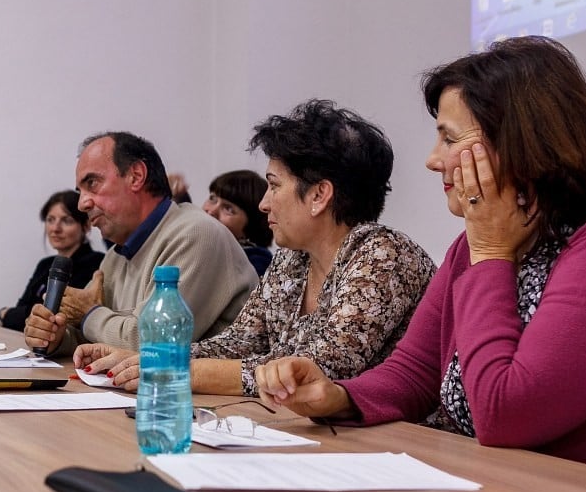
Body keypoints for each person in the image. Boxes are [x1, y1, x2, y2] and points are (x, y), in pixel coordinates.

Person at [255, 36, 586, 470]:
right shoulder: (477, 242)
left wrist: (491, 253)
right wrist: (340, 396)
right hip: (488, 481)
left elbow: (506, 414)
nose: (432, 159)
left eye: (450, 139)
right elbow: (413, 371)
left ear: (521, 142)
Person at [74, 100, 436, 397]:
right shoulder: (293, 260)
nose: (264, 204)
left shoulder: (383, 256)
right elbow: (239, 343)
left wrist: (170, 369)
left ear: (318, 195)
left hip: (405, 449)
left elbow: (316, 371)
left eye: (274, 186)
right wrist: (145, 357)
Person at [24, 131, 258, 356]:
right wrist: (55, 335)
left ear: (136, 176)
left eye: (92, 183)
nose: (82, 204)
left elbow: (150, 345)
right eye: (81, 190)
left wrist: (88, 313)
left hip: (207, 395)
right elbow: (92, 333)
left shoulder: (196, 234)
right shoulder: (116, 255)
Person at [0, 190, 103, 331]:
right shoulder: (45, 264)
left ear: (86, 226)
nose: (55, 228)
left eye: (67, 221)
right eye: (50, 220)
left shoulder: (96, 264)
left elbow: (58, 317)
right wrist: (14, 315)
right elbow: (23, 310)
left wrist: (5, 313)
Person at [202, 170, 274, 276]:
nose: (212, 211)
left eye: (228, 209)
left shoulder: (256, 263)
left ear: (251, 226)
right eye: (213, 199)